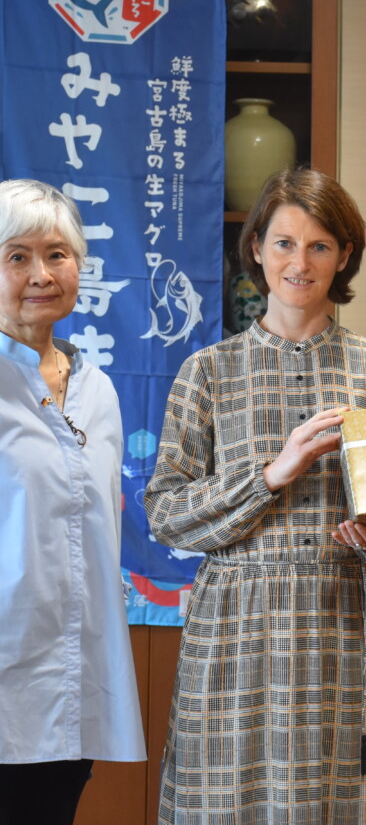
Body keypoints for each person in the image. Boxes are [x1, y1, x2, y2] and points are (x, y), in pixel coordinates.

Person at [144, 167, 366, 825]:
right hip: (233, 624)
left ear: (344, 256)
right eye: (284, 243)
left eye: (320, 246)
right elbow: (166, 515)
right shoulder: (207, 371)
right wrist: (271, 473)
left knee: (336, 800)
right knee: (224, 801)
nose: (300, 262)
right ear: (257, 248)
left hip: (337, 617)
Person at [0, 179, 145, 825]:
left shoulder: (98, 390)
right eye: (17, 256)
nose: (41, 274)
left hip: (74, 673)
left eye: (57, 254)